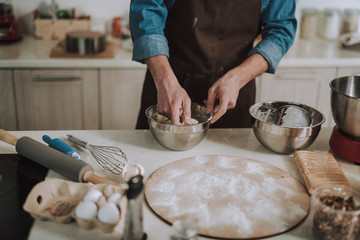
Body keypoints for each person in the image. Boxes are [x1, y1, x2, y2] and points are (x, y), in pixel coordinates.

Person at [130, 0, 297, 128]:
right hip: (169, 81)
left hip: (234, 92)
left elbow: (281, 30)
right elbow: (146, 9)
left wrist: (240, 76)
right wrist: (164, 80)